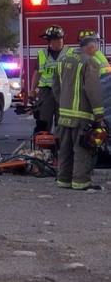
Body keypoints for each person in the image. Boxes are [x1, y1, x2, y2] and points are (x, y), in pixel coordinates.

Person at [52, 34, 105, 191]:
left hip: (64, 116)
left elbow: (55, 87)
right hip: (82, 116)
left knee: (65, 149)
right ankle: (81, 182)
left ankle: (63, 180)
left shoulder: (62, 61)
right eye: (95, 49)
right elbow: (92, 90)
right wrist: (99, 114)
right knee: (82, 149)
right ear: (90, 47)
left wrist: (62, 103)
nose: (96, 52)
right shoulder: (89, 62)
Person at [29, 25, 72, 133]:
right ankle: (44, 146)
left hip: (64, 91)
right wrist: (32, 90)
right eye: (54, 40)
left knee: (62, 120)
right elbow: (37, 73)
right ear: (49, 41)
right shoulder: (43, 54)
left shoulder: (70, 53)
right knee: (44, 120)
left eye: (60, 39)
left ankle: (61, 146)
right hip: (46, 92)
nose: (58, 42)